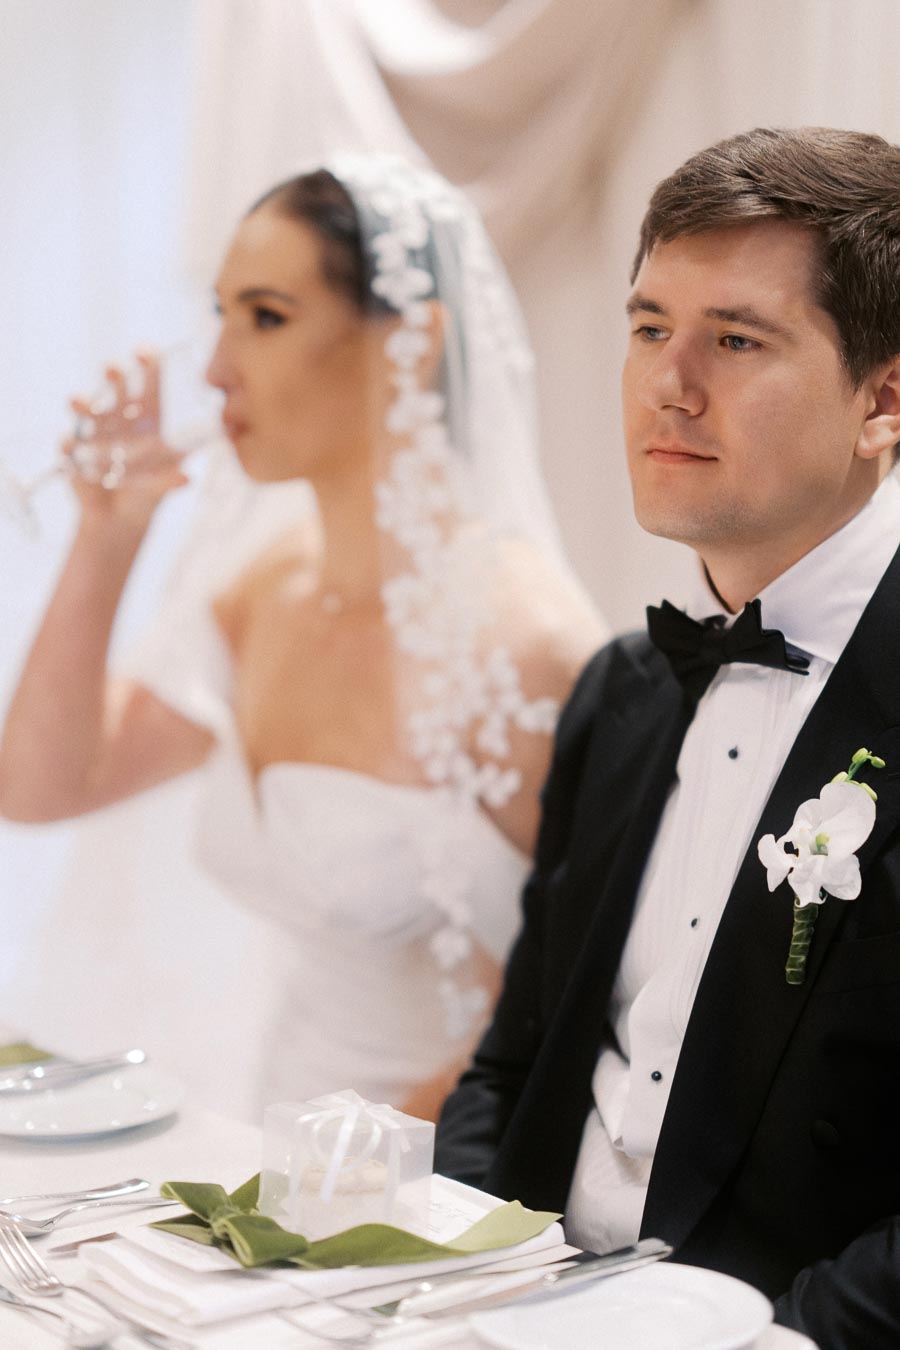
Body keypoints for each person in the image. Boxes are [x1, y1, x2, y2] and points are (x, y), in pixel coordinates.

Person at [0, 156, 605, 1122]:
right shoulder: (261, 586)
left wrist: (335, 1195)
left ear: (408, 343)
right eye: (221, 314)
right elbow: (38, 785)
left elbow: (571, 1004)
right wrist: (106, 542)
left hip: (433, 1191)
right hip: (261, 1141)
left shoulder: (526, 649)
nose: (214, 369)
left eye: (267, 318)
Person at [434, 126, 900, 1347]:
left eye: (736, 341)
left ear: (884, 400)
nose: (667, 385)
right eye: (649, 329)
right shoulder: (621, 690)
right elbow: (511, 1065)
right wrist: (458, 1286)